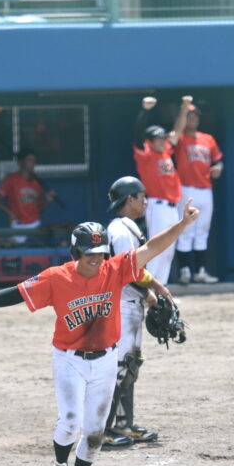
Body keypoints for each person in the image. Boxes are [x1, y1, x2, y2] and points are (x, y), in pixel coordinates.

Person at [0, 201, 201, 466]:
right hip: (69, 359)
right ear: (76, 253)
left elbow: (152, 248)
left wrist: (182, 225)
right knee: (70, 421)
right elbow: (16, 293)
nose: (95, 259)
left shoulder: (115, 269)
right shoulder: (58, 278)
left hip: (107, 359)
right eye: (88, 254)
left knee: (95, 432)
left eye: (100, 253)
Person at [104, 176, 173, 447]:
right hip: (122, 305)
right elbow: (127, 271)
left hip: (130, 305)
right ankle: (104, 429)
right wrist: (151, 293)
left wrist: (153, 290)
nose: (145, 200)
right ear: (128, 200)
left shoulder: (126, 228)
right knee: (120, 369)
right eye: (141, 195)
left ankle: (124, 424)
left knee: (130, 367)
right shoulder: (120, 230)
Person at [132, 95, 190, 285]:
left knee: (169, 250)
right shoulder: (146, 154)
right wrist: (145, 111)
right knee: (156, 249)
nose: (162, 141)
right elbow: (137, 133)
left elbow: (178, 130)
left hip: (172, 207)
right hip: (157, 206)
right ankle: (149, 290)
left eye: (162, 138)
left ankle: (161, 291)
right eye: (157, 139)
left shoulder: (165, 150)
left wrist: (184, 108)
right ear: (149, 141)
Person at [173, 104, 223, 284]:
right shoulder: (180, 137)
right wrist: (183, 112)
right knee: (186, 230)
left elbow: (218, 160)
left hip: (205, 188)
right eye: (190, 115)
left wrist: (218, 168)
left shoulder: (207, 139)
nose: (193, 118)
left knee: (202, 231)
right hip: (187, 189)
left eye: (195, 115)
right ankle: (185, 271)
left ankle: (200, 271)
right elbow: (175, 134)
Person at [0, 148, 56, 233]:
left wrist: (47, 201)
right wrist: (9, 212)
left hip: (35, 224)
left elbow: (39, 209)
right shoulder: (10, 180)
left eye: (34, 161)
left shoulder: (37, 183)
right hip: (18, 225)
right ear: (21, 162)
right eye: (29, 160)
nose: (32, 164)